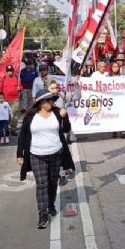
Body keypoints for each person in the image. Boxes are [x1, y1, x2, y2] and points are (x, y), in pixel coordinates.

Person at [17, 89, 75, 229]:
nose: (51, 103)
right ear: (40, 102)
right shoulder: (30, 117)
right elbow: (23, 136)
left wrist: (65, 116)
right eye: (48, 100)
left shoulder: (56, 113)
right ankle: (43, 215)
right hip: (36, 155)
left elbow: (66, 129)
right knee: (42, 184)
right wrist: (19, 154)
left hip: (56, 153)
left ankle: (50, 205)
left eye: (52, 100)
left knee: (52, 182)